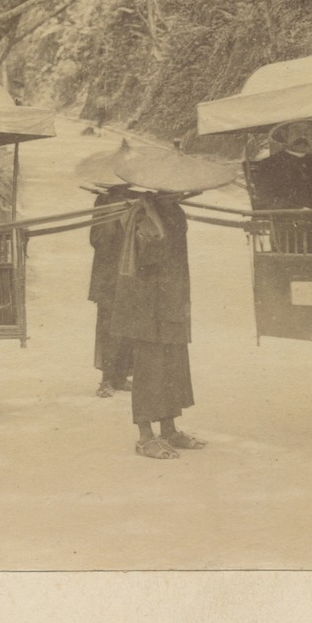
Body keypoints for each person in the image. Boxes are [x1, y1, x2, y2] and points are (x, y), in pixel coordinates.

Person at [110, 189, 203, 460]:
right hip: (146, 303)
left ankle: (170, 429)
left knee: (174, 364)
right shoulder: (139, 213)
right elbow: (147, 256)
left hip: (172, 298)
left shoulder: (174, 210)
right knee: (150, 367)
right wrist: (150, 215)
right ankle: (145, 436)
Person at [88, 183, 136, 397]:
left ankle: (121, 376)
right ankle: (106, 379)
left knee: (129, 324)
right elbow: (97, 239)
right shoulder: (103, 202)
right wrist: (112, 216)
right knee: (108, 325)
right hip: (108, 275)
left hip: (130, 272)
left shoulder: (137, 201)